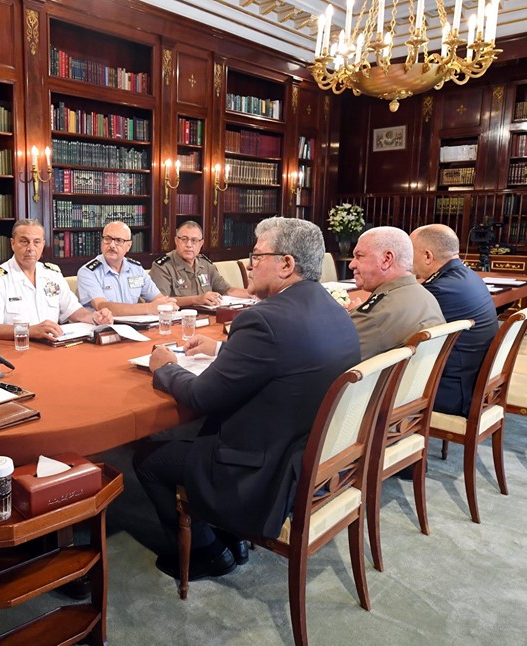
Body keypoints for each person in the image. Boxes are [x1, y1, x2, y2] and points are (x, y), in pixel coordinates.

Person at [133, 217, 361, 581]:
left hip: (258, 471)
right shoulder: (332, 308)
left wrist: (165, 367)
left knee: (148, 457)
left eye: (257, 255)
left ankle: (208, 551)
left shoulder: (264, 320)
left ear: (287, 264)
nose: (249, 263)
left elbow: (200, 396)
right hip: (304, 453)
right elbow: (287, 359)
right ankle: (232, 537)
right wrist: (224, 349)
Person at [411, 223, 499, 416]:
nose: (409, 260)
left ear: (427, 256)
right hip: (474, 382)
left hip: (453, 392)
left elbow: (402, 335)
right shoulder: (468, 276)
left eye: (411, 252)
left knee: (372, 392)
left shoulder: (438, 289)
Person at [0, 218, 112, 342]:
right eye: (24, 241)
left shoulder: (52, 274)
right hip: (15, 349)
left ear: (43, 244)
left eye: (36, 242)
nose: (30, 248)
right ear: (13, 244)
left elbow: (73, 310)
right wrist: (30, 331)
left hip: (51, 347)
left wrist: (95, 317)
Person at [349, 226, 444, 360]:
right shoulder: (427, 297)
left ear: (386, 259)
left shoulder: (374, 316)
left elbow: (333, 361)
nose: (352, 264)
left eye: (359, 256)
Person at [76, 220, 177, 315]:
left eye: (118, 240)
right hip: (104, 328)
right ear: (102, 242)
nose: (112, 245)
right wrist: (149, 308)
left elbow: (158, 298)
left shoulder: (136, 269)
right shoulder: (88, 272)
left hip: (135, 325)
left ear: (128, 246)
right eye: (107, 239)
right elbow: (102, 306)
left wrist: (168, 305)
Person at [149, 220, 250, 307]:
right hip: (178, 319)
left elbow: (227, 290)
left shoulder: (206, 264)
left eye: (194, 241)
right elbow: (161, 302)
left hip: (208, 317)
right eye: (184, 239)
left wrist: (252, 294)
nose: (189, 245)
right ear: (176, 241)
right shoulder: (163, 266)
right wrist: (197, 299)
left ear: (201, 244)